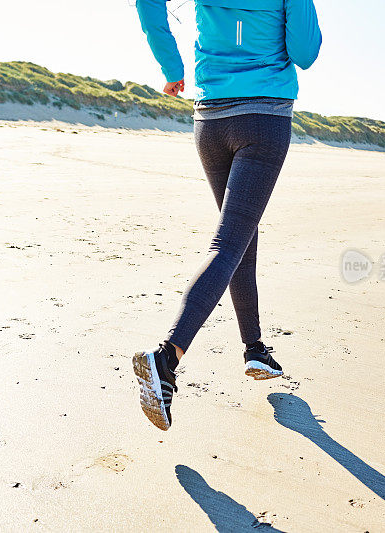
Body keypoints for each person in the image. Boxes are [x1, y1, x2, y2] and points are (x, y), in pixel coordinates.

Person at [132, 0, 322, 431]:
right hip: (263, 118)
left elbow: (148, 4)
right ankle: (166, 359)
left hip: (211, 120)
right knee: (229, 242)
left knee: (240, 237)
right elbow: (305, 53)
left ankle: (255, 348)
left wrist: (170, 66)